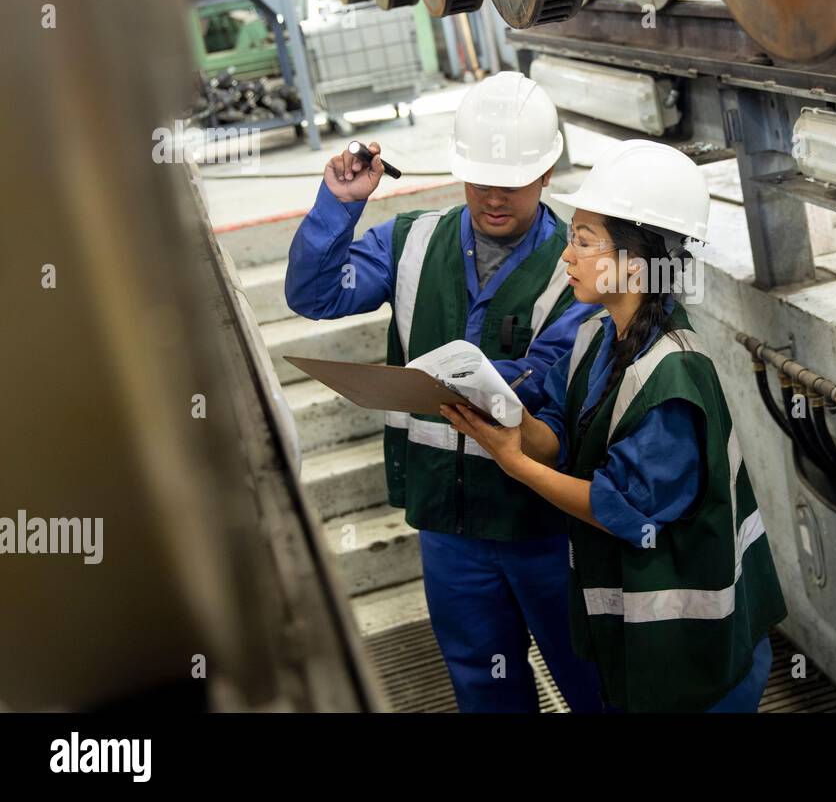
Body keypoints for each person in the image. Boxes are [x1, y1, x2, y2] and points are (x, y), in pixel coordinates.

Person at [284, 71, 602, 713]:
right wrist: (339, 205)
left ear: (546, 175)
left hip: (543, 522)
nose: (493, 195)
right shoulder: (412, 243)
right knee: (484, 691)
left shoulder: (579, 267)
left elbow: (550, 378)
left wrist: (497, 379)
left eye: (512, 180)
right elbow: (313, 294)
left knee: (590, 681)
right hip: (448, 524)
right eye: (480, 176)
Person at [442, 139, 788, 712]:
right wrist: (500, 415)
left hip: (696, 650)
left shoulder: (673, 374)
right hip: (641, 636)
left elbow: (619, 508)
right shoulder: (595, 338)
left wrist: (515, 465)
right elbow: (554, 429)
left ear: (633, 259)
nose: (565, 257)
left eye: (582, 242)